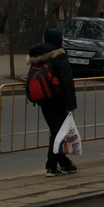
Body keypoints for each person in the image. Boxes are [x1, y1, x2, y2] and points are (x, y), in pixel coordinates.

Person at [27, 29, 78, 177]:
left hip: (43, 99)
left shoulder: (38, 56)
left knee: (56, 130)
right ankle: (51, 165)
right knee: (58, 133)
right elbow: (67, 81)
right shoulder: (60, 56)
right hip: (58, 99)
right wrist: (71, 104)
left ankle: (64, 163)